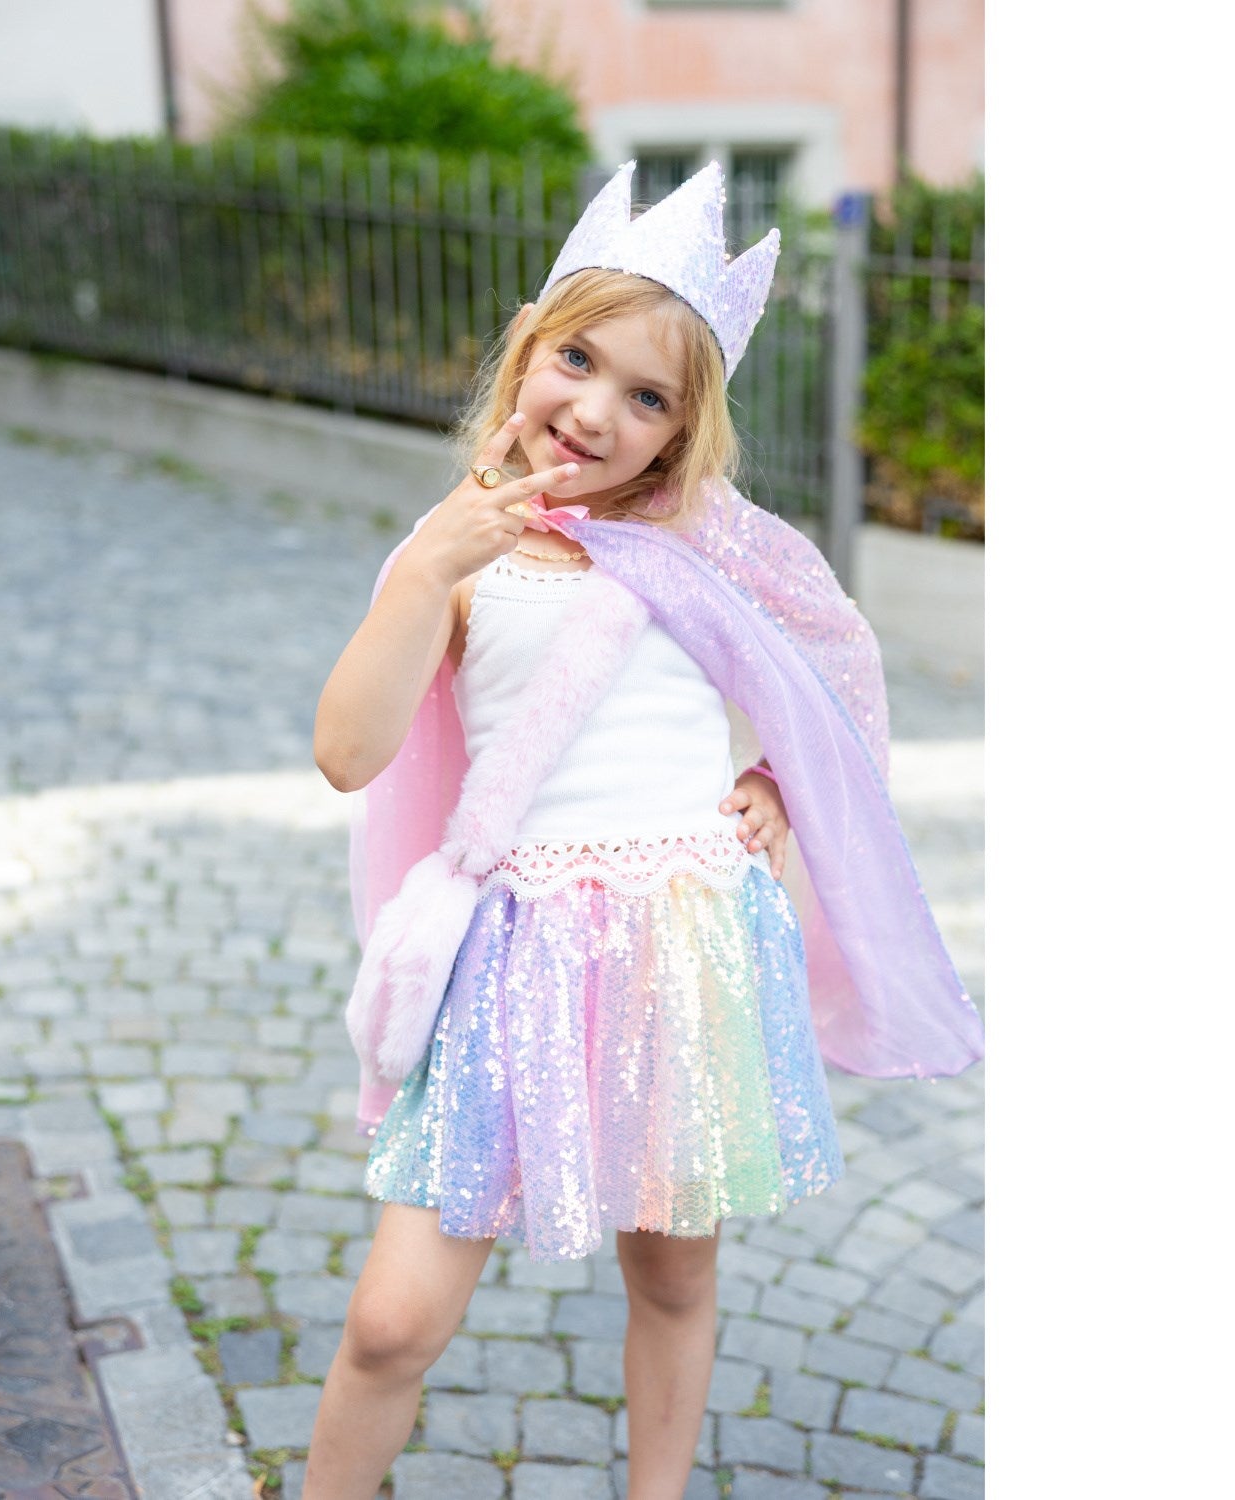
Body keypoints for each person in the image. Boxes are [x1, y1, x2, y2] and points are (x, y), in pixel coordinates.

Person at [306, 160, 983, 1500]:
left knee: (673, 1273)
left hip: (683, 952)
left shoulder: (713, 550)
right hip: (511, 960)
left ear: (682, 431)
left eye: (648, 396)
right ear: (525, 347)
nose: (596, 410)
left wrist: (779, 780)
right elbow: (348, 752)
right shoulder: (461, 551)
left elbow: (835, 667)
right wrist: (430, 568)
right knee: (392, 1321)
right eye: (577, 359)